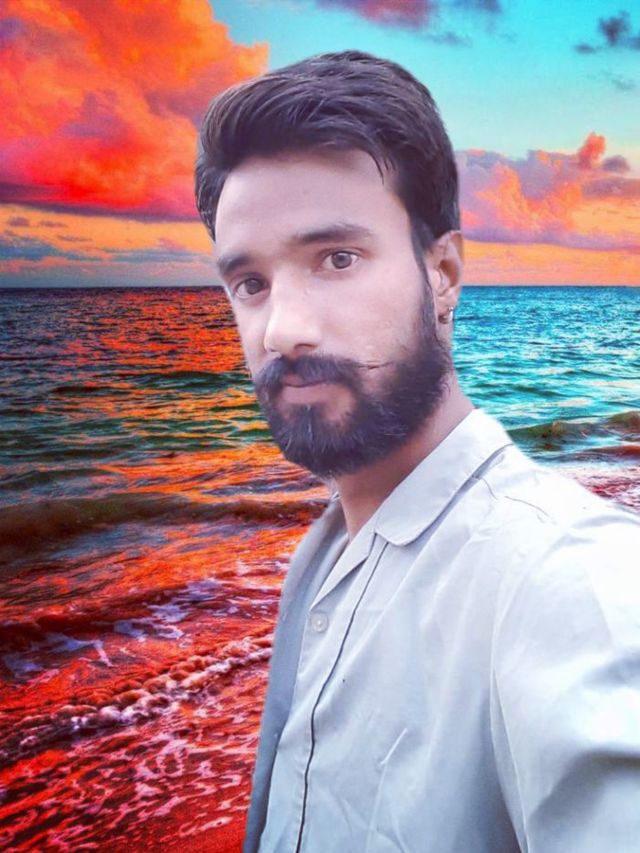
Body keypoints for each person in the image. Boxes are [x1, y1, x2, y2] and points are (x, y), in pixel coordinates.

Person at [195, 51, 640, 853]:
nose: (282, 329)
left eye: (337, 259)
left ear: (443, 273)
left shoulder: (568, 578)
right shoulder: (321, 561)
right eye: (251, 283)